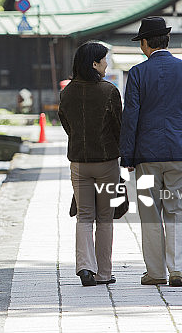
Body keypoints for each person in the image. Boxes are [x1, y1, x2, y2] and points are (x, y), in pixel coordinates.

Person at [119, 16, 182, 287]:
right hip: (180, 153)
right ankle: (177, 269)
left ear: (145, 43)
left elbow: (130, 116)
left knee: (149, 212)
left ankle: (156, 272)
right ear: (166, 40)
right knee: (177, 210)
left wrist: (128, 155)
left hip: (146, 156)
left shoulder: (137, 73)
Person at [59, 41, 122, 287]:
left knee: (84, 216)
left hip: (78, 162)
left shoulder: (67, 92)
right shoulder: (109, 91)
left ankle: (85, 267)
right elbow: (119, 126)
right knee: (105, 218)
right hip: (106, 163)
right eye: (104, 60)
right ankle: (104, 273)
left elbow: (67, 126)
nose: (106, 64)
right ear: (94, 63)